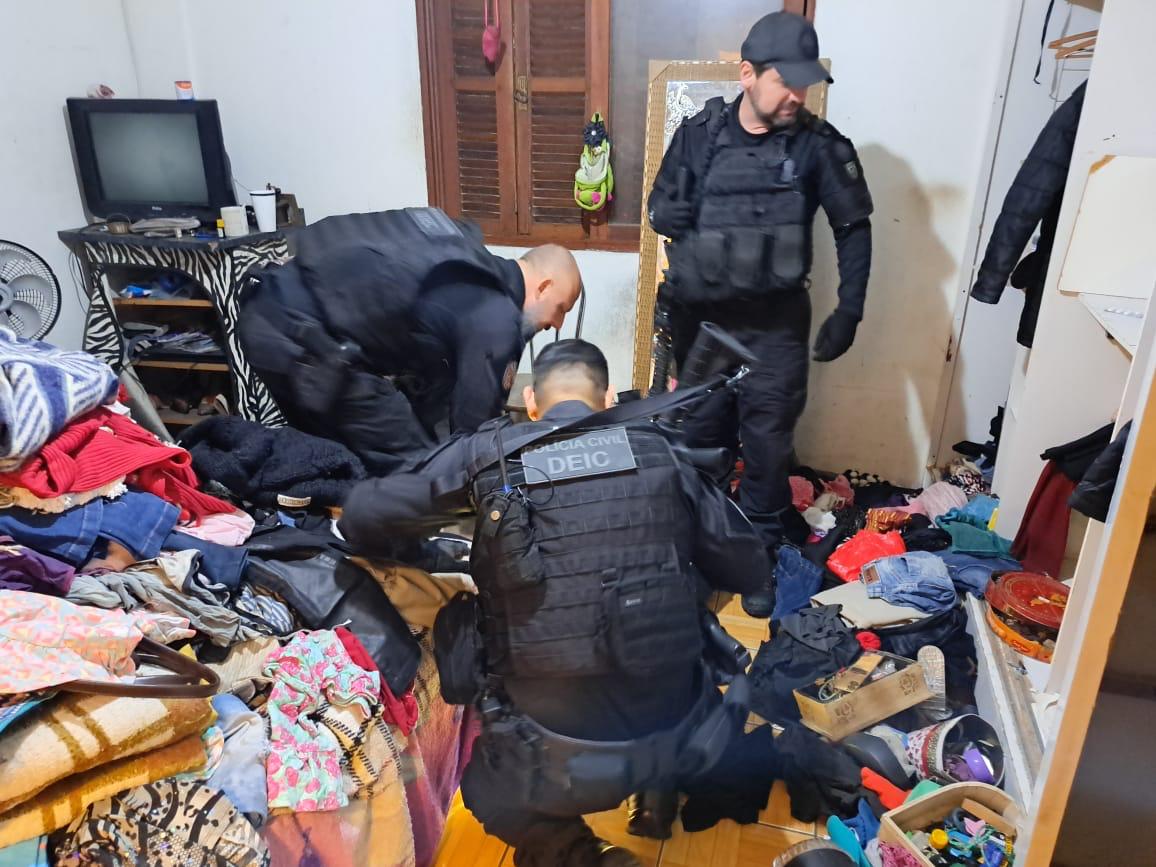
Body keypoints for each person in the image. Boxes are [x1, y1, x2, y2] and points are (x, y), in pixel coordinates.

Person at [339, 339, 768, 867]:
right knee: (675, 592)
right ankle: (657, 788)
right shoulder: (660, 449)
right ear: (607, 397)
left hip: (553, 760)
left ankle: (586, 857)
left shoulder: (491, 453)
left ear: (531, 403)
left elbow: (362, 516)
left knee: (488, 792)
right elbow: (747, 568)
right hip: (685, 732)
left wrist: (450, 513)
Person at [647, 11, 873, 617]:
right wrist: (681, 220)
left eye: (805, 83)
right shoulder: (698, 135)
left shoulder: (819, 145)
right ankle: (699, 555)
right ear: (746, 74)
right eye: (785, 81)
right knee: (699, 444)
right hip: (703, 328)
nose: (798, 95)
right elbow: (659, 209)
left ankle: (756, 556)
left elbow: (853, 227)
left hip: (776, 328)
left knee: (768, 451)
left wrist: (850, 308)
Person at [239, 207, 582, 475]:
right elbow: (474, 435)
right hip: (304, 342)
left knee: (331, 459)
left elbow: (434, 389)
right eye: (561, 308)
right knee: (414, 471)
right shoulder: (495, 317)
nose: (557, 323)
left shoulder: (464, 265)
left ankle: (330, 531)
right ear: (544, 287)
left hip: (268, 317)